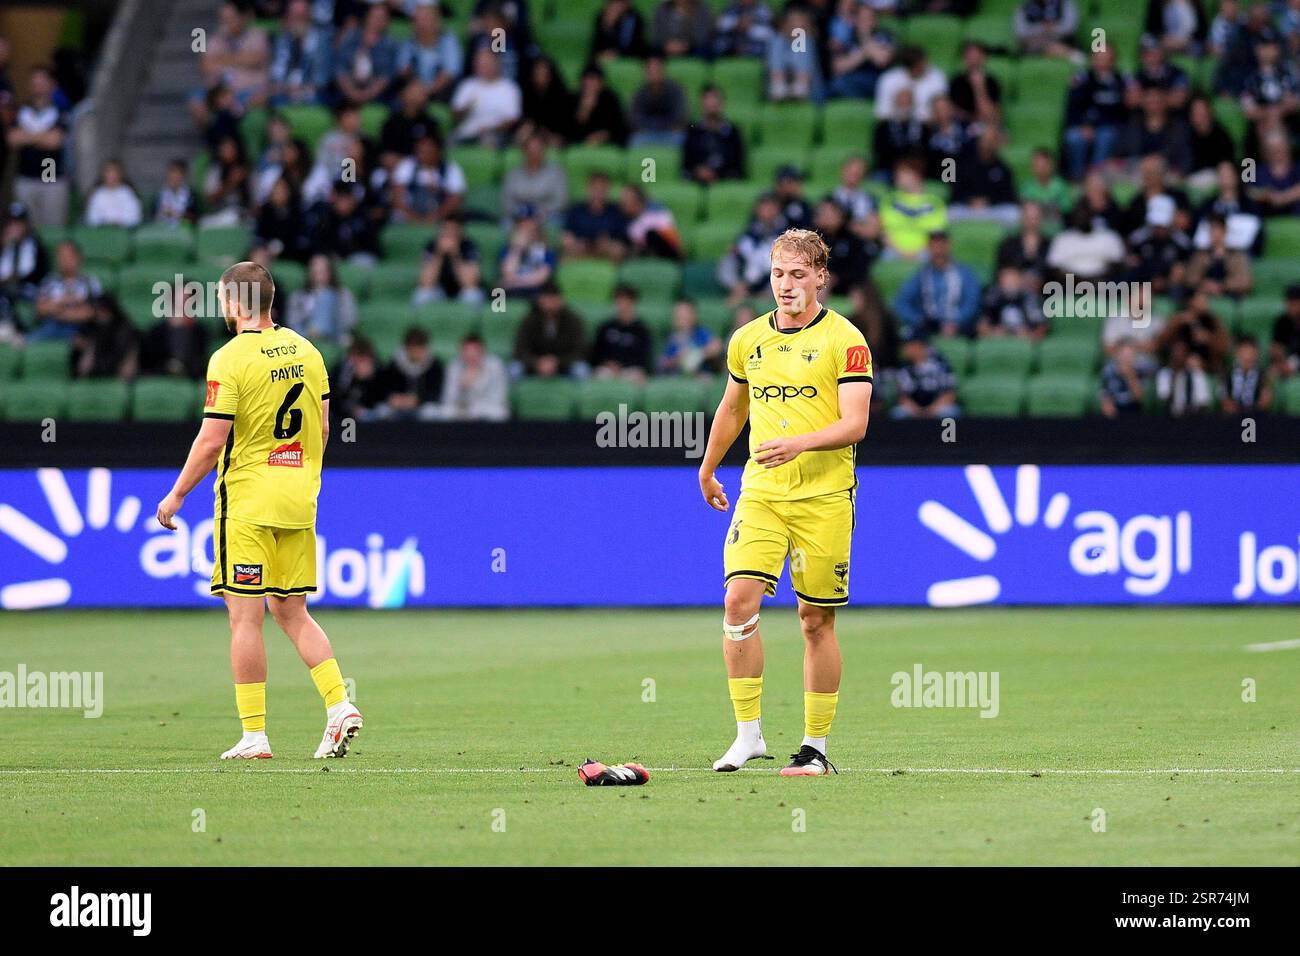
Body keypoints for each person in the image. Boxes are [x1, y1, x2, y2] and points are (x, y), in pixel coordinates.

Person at [153, 260, 363, 761]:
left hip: (247, 502)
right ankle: (339, 705)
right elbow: (326, 428)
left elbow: (211, 441)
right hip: (299, 497)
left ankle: (254, 735)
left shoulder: (229, 358)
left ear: (232, 302)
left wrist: (177, 493)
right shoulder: (308, 352)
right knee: (292, 610)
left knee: (244, 617)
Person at [697, 228, 872, 777]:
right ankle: (747, 735)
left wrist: (798, 442)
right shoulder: (747, 340)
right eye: (778, 274)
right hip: (763, 494)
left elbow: (856, 423)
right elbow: (732, 410)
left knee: (814, 620)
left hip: (824, 495)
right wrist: (707, 467)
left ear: (821, 276)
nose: (786, 285)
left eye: (798, 274)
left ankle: (815, 747)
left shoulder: (847, 339)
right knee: (737, 603)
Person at [893, 231, 981, 337]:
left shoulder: (964, 273)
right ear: (928, 248)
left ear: (948, 246)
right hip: (928, 326)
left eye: (941, 246)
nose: (938, 251)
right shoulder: (921, 275)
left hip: (959, 325)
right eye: (934, 247)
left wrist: (956, 322)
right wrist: (919, 320)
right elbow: (901, 302)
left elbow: (972, 303)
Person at [450, 46, 522, 146]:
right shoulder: (467, 85)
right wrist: (466, 109)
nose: (482, 66)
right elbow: (455, 117)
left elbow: (512, 119)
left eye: (486, 63)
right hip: (467, 135)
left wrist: (489, 129)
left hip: (496, 135)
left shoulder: (509, 88)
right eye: (479, 63)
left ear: (496, 63)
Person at [513, 281, 588, 378]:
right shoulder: (529, 320)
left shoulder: (573, 320)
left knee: (581, 370)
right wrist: (537, 362)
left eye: (552, 298)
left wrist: (557, 362)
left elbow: (580, 350)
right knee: (514, 370)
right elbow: (520, 350)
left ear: (561, 299)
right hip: (534, 363)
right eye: (546, 298)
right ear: (539, 300)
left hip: (564, 364)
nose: (549, 303)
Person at [31, 241, 102, 341]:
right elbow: (40, 310)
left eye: (68, 256)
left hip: (81, 328)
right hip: (53, 326)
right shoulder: (49, 282)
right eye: (60, 256)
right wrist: (68, 302)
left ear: (78, 258)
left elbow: (92, 311)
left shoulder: (90, 283)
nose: (64, 260)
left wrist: (57, 309)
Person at [286, 253, 358, 345]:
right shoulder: (298, 296)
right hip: (305, 337)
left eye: (322, 271)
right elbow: (292, 321)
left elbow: (350, 320)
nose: (318, 276)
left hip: (336, 335)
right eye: (315, 272)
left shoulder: (343, 294)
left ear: (330, 272)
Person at [438, 332, 510, 420]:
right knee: (446, 411)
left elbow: (498, 397)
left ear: (482, 350)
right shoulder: (454, 367)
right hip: (462, 409)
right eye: (466, 350)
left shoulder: (495, 365)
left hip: (488, 408)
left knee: (498, 412)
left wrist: (476, 385)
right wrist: (463, 388)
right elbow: (448, 398)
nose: (471, 354)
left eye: (475, 350)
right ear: (461, 351)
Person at [892, 325, 959, 418]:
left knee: (950, 413)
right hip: (914, 408)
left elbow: (950, 394)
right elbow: (902, 397)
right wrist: (918, 411)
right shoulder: (904, 366)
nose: (903, 348)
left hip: (938, 406)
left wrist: (931, 410)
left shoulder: (940, 363)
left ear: (918, 345)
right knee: (898, 413)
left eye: (906, 344)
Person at [414, 217, 485, 305]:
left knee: (472, 295)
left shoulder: (469, 246)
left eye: (453, 230)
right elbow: (426, 282)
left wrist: (455, 254)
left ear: (460, 231)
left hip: (462, 289)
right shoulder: (432, 245)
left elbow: (470, 283)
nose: (449, 233)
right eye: (446, 230)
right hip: (439, 289)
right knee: (422, 294)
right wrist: (439, 253)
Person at [682, 85, 745, 184]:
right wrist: (699, 171)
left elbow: (738, 164)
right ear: (701, 104)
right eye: (707, 99)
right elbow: (687, 163)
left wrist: (717, 173)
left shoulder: (733, 132)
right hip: (697, 180)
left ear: (722, 103)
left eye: (715, 99)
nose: (711, 103)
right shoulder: (693, 131)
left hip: (725, 181)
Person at [591, 284, 653, 380]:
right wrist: (607, 363)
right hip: (607, 369)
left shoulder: (641, 330)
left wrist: (622, 365)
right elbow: (596, 353)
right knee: (598, 375)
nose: (621, 305)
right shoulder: (605, 327)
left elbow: (644, 357)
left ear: (633, 302)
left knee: (638, 377)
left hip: (631, 369)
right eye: (618, 301)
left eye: (625, 301)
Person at [562, 171, 629, 259]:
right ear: (588, 188)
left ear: (607, 189)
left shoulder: (616, 211)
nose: (598, 192)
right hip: (581, 248)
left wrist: (609, 243)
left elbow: (623, 239)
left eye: (602, 188)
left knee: (618, 249)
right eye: (595, 188)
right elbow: (567, 235)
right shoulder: (576, 210)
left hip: (606, 249)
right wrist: (576, 242)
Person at [384, 326, 445, 419]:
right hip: (399, 407)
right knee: (383, 410)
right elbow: (387, 389)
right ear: (406, 348)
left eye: (419, 349)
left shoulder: (435, 365)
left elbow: (437, 393)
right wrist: (395, 398)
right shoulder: (394, 364)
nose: (416, 353)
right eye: (413, 349)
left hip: (423, 408)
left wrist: (418, 399)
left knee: (431, 411)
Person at [659, 298, 722, 375]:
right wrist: (678, 359)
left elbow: (716, 346)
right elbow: (663, 363)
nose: (682, 318)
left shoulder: (701, 333)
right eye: (679, 314)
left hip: (700, 379)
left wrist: (697, 354)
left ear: (694, 315)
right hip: (676, 379)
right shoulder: (671, 337)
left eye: (686, 314)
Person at [1221, 335, 1271, 414]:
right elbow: (1224, 399)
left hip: (1257, 418)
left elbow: (1265, 400)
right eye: (1244, 352)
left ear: (1256, 354)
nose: (1247, 357)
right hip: (1232, 418)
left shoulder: (1263, 376)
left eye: (1251, 352)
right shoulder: (1227, 374)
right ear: (1237, 353)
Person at [1099, 338, 1147, 416]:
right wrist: (1106, 403)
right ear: (1116, 355)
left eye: (1130, 355)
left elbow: (1139, 397)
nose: (1126, 359)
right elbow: (1104, 393)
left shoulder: (1140, 371)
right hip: (1113, 409)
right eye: (1123, 355)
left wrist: (1130, 376)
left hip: (1133, 409)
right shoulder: (1108, 371)